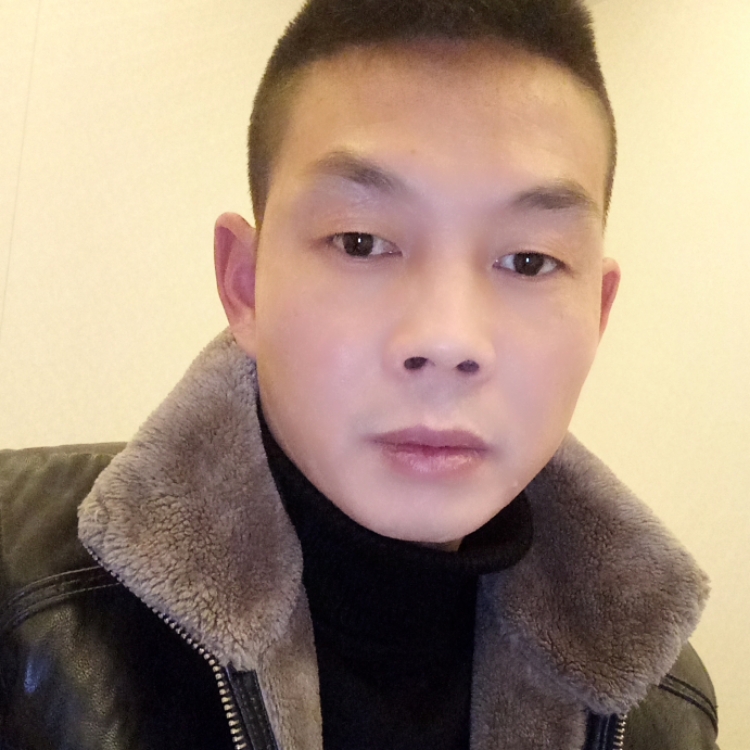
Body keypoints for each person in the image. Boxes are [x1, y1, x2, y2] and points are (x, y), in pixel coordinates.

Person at [0, 0, 719, 748]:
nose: (447, 341)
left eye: (529, 260)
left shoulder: (659, 704)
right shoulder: (21, 593)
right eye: (360, 243)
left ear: (598, 313)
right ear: (245, 285)